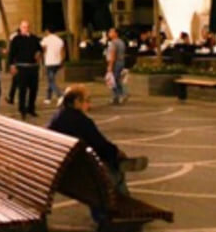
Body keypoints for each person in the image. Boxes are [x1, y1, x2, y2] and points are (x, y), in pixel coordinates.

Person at [48, 85, 146, 216]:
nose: (89, 104)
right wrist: (117, 153)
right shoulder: (82, 121)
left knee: (101, 170)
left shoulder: (58, 117)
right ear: (77, 101)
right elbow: (100, 144)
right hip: (78, 172)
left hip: (60, 167)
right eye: (87, 100)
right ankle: (119, 211)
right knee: (115, 173)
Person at [8, 21, 42, 120]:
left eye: (27, 27)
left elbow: (39, 49)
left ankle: (31, 108)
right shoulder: (16, 39)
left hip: (33, 67)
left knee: (33, 89)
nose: (25, 29)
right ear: (20, 28)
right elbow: (11, 54)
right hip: (21, 67)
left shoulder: (34, 38)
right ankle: (22, 109)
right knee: (22, 90)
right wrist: (12, 65)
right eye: (23, 27)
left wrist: (39, 53)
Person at [41, 28, 66, 105]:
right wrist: (62, 60)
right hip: (57, 62)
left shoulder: (46, 39)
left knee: (51, 81)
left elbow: (43, 49)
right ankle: (48, 98)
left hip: (49, 62)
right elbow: (63, 51)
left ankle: (60, 95)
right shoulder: (59, 40)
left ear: (47, 31)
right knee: (51, 80)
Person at [105, 27, 127, 104]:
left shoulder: (114, 43)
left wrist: (110, 66)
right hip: (121, 62)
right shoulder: (121, 42)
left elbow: (113, 54)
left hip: (115, 63)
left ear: (116, 33)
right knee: (117, 80)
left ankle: (118, 96)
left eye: (111, 32)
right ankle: (120, 95)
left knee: (113, 80)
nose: (109, 33)